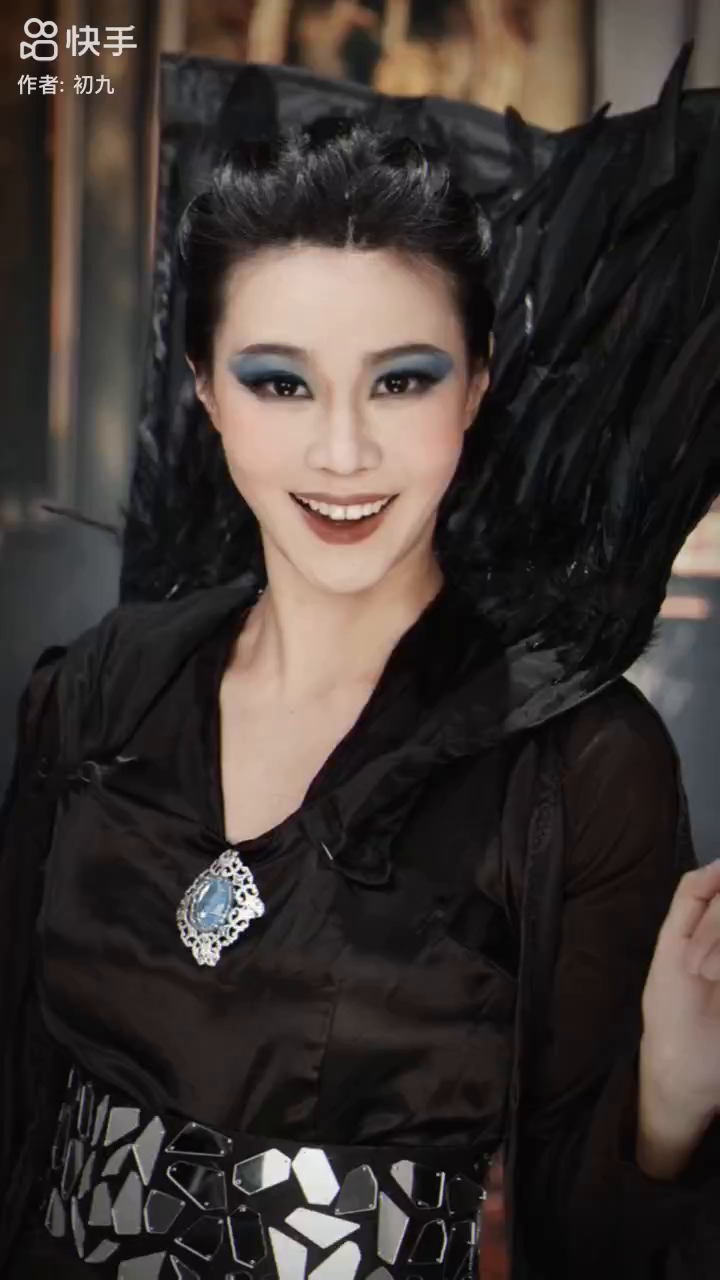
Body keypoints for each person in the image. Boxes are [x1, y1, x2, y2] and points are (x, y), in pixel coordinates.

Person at [0, 59, 719, 1280]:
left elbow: (590, 1236)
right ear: (206, 391)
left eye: (401, 379)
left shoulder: (580, 766)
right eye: (280, 381)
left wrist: (673, 1097)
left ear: (475, 384)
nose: (343, 451)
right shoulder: (103, 687)